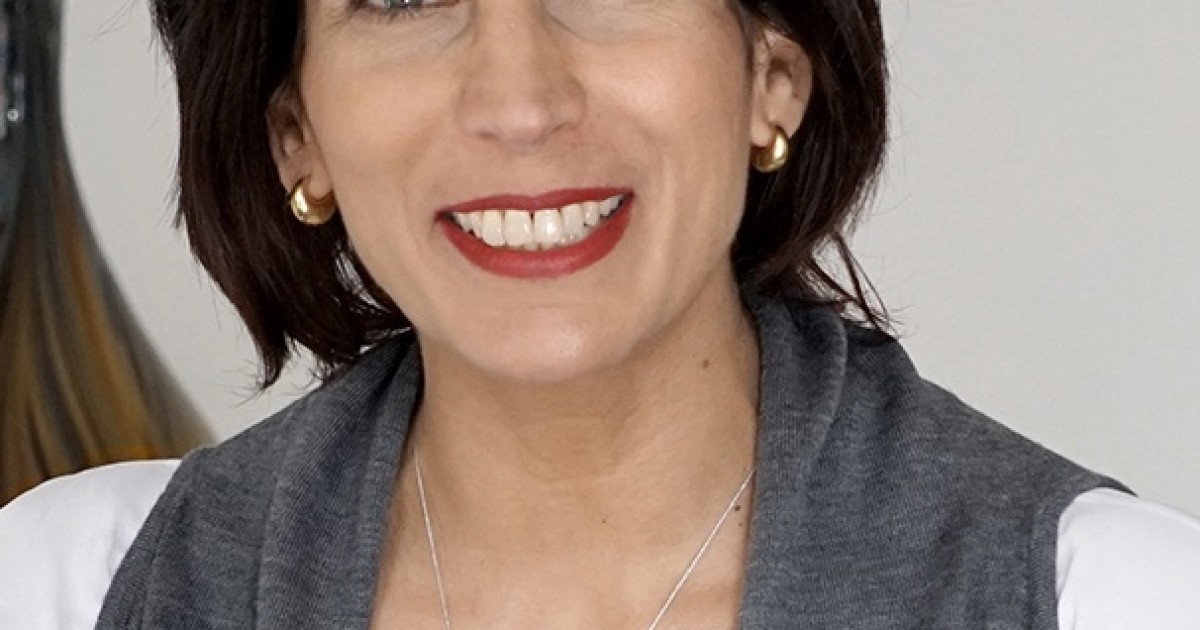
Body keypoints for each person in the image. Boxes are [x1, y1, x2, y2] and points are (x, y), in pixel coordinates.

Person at [2, 0, 1199, 628]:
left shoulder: (1113, 601)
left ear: (772, 72)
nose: (520, 101)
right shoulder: (64, 592)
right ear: (294, 132)